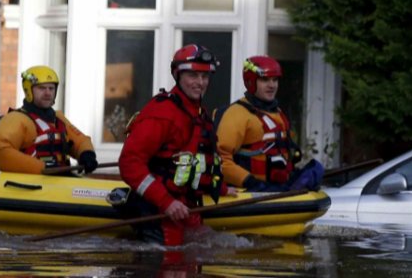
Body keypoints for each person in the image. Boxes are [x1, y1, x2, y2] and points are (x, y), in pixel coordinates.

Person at [118, 44, 228, 246]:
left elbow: (197, 160)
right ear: (178, 75)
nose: (200, 83)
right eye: (193, 76)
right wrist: (166, 202)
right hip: (156, 207)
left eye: (205, 77)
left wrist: (219, 188)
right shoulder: (162, 114)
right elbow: (129, 163)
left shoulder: (198, 113)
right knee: (172, 263)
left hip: (184, 204)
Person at [217, 56, 324, 192]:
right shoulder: (236, 114)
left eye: (275, 80)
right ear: (251, 82)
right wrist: (250, 182)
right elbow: (221, 160)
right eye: (265, 80)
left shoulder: (277, 113)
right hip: (250, 190)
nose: (272, 85)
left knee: (315, 169)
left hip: (276, 187)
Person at [0, 65, 98, 175]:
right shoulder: (16, 119)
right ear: (29, 91)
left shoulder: (58, 119)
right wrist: (44, 168)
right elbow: (2, 152)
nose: (48, 93)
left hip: (57, 183)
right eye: (42, 88)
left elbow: (80, 141)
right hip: (28, 185)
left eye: (51, 88)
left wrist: (87, 154)